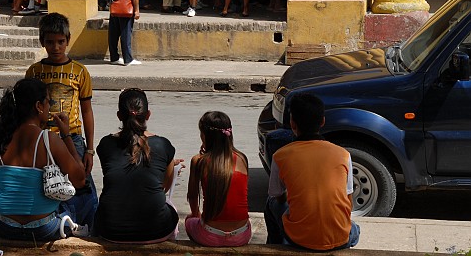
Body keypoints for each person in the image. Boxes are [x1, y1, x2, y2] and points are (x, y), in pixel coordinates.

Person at [0, 79, 88, 240]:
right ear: (38, 106)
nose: (50, 107)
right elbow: (80, 180)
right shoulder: (48, 139)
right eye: (48, 102)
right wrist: (66, 135)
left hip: (5, 226)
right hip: (44, 229)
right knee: (80, 200)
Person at [25, 13, 98, 229]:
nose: (56, 47)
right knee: (46, 187)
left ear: (67, 40)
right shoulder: (34, 72)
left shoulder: (80, 72)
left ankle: (89, 226)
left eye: (60, 42)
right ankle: (56, 224)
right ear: (42, 42)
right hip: (42, 140)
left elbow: (87, 110)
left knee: (81, 185)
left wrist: (90, 149)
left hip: (72, 139)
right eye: (50, 42)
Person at [264, 93, 360, 251]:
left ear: (292, 123)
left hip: (299, 240)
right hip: (340, 239)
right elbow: (348, 202)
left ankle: (275, 246)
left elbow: (278, 197)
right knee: (355, 229)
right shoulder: (343, 154)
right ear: (323, 121)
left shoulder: (280, 156)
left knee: (270, 203)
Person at [95, 88, 183, 243]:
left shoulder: (106, 144)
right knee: (169, 206)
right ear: (148, 115)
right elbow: (163, 188)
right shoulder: (163, 145)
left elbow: (117, 177)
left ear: (119, 116)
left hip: (110, 230)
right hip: (156, 231)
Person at [185, 111, 251, 247]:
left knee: (189, 220)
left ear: (204, 135)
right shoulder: (242, 158)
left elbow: (192, 196)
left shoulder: (199, 161)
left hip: (210, 235)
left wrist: (196, 214)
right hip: (241, 235)